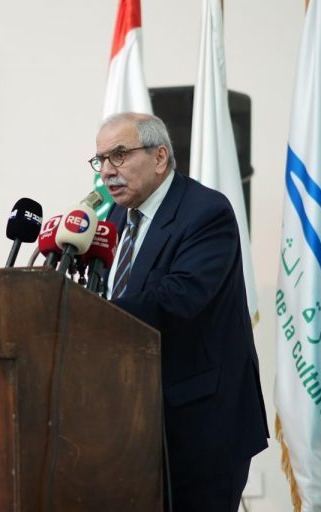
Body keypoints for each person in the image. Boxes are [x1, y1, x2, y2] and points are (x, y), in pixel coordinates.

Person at [90, 112, 269, 511]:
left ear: (159, 157)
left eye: (118, 155)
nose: (106, 171)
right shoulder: (115, 216)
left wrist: (92, 315)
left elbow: (178, 297)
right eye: (100, 160)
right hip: (134, 419)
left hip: (201, 425)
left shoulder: (206, 212)